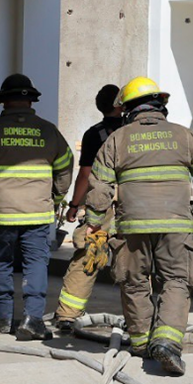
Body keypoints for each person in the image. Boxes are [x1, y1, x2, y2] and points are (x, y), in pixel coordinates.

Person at [85, 77, 193, 375]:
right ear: (161, 105)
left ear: (127, 110)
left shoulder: (116, 140)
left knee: (133, 280)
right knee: (176, 281)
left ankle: (142, 342)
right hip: (176, 224)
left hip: (131, 225)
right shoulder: (184, 137)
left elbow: (99, 185)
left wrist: (94, 221)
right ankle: (168, 344)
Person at [0, 74, 73, 340]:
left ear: (2, 101)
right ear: (31, 100)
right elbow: (65, 168)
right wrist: (55, 198)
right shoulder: (49, 130)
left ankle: (3, 319)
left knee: (1, 264)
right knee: (35, 264)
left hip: (0, 212)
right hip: (38, 212)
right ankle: (33, 320)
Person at [54, 84, 127, 332]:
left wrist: (75, 205)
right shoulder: (135, 131)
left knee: (91, 256)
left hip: (101, 208)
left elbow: (85, 174)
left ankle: (68, 315)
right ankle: (141, 317)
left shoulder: (94, 134)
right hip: (134, 205)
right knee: (136, 258)